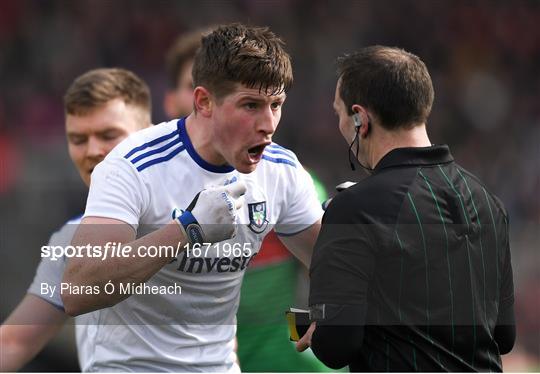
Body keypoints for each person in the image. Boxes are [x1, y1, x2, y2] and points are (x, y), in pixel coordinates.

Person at [62, 23, 323, 372]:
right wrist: (185, 230)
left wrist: (332, 304)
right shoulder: (133, 165)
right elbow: (78, 290)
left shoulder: (281, 171)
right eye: (250, 105)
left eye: (276, 105)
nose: (268, 123)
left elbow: (328, 262)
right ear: (203, 102)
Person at [297, 46, 515, 372]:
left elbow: (336, 347)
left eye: (339, 113)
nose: (340, 124)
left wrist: (319, 326)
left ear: (360, 118)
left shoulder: (355, 209)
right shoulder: (487, 202)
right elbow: (504, 335)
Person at [162, 29, 332, 372]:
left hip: (281, 366)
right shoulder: (147, 184)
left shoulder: (286, 183)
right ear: (191, 98)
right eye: (193, 85)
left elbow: (331, 279)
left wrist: (309, 325)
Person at [0, 68, 152, 371]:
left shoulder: (212, 213)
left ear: (149, 133)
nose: (93, 151)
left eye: (109, 135)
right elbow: (14, 342)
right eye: (78, 139)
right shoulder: (72, 239)